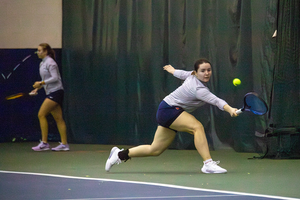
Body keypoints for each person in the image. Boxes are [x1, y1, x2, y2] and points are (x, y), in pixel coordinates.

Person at [105, 58, 238, 173]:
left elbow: (181, 74)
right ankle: (208, 164)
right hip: (169, 109)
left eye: (209, 70)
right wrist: (230, 109)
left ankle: (119, 155)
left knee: (155, 149)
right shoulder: (199, 89)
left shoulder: (191, 75)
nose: (206, 73)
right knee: (197, 127)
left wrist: (172, 70)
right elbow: (216, 100)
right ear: (196, 72)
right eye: (203, 70)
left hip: (167, 110)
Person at [31, 43, 69, 151]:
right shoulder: (42, 64)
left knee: (41, 114)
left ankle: (44, 143)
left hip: (56, 92)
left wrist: (40, 83)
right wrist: (37, 88)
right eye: (37, 50)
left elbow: (55, 78)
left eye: (40, 50)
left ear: (46, 51)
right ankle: (64, 144)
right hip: (51, 92)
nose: (38, 52)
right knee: (58, 118)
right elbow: (46, 81)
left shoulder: (51, 63)